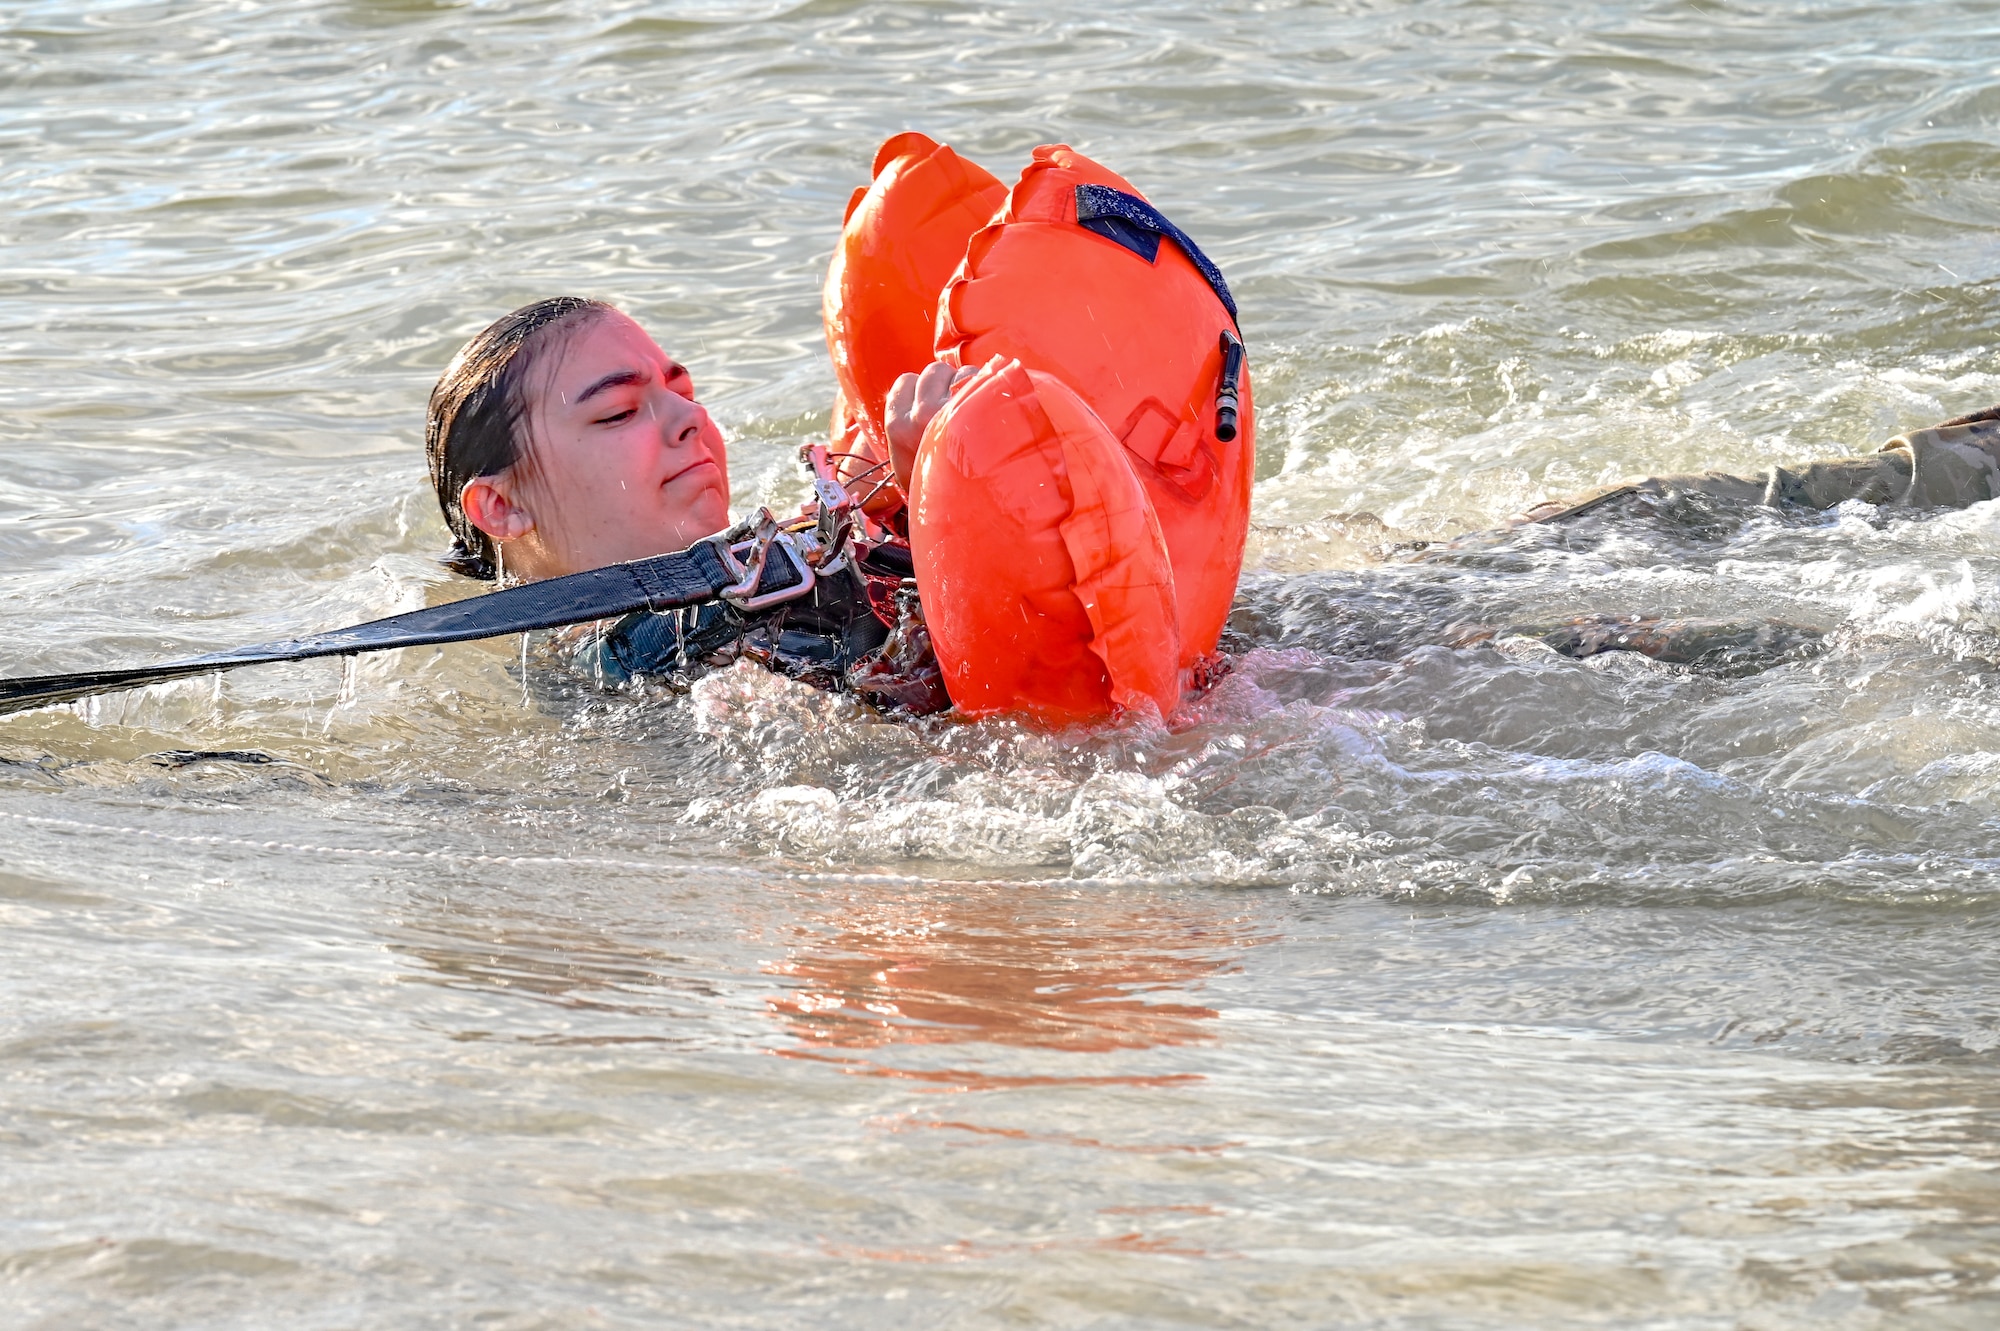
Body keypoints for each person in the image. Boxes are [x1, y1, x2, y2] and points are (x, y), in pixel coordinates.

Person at [424, 296, 964, 712]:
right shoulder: (631, 664)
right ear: (501, 507)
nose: (692, 419)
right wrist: (941, 505)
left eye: (683, 394)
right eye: (618, 413)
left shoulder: (767, 562)